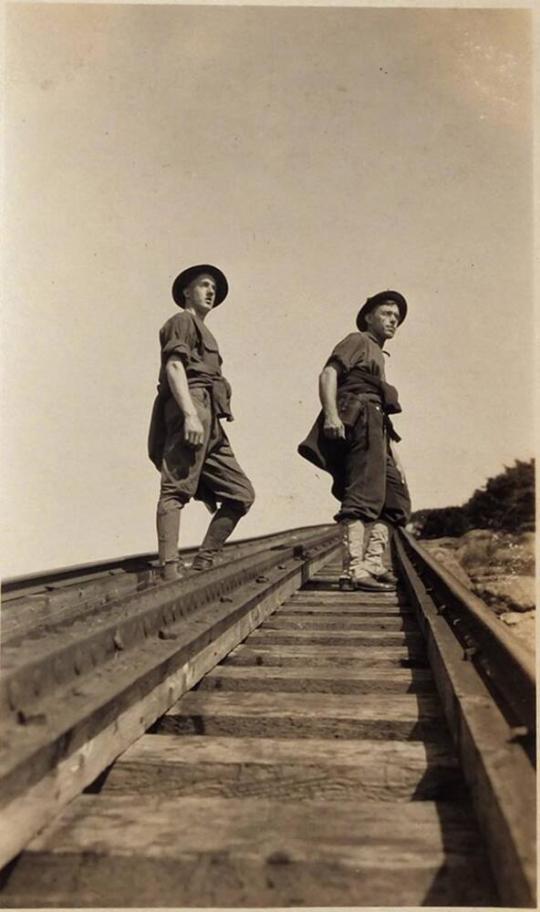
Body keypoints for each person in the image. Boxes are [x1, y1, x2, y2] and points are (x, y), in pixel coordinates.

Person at [298, 290, 411, 592]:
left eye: (397, 318)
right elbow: (328, 374)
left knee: (395, 500)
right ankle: (353, 571)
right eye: (387, 314)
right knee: (361, 495)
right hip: (359, 420)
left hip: (378, 426)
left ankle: (373, 563)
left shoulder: (376, 351)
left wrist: (393, 454)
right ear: (368, 316)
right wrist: (331, 415)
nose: (393, 321)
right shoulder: (357, 340)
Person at [148, 264, 255, 581]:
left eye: (214, 289)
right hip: (191, 406)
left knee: (241, 494)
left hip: (212, 419)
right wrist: (189, 414)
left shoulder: (204, 330)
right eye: (204, 285)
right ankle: (170, 569)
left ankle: (204, 562)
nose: (211, 292)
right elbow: (175, 366)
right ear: (186, 291)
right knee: (175, 490)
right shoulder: (182, 321)